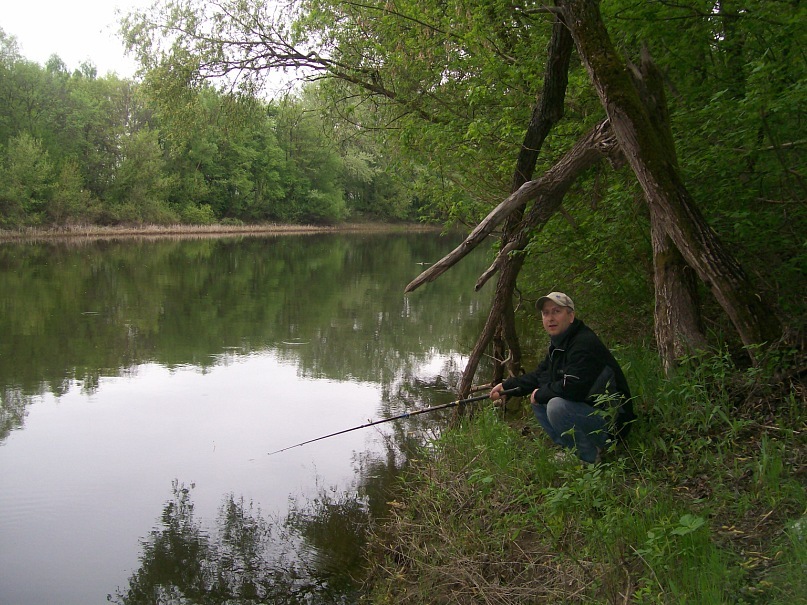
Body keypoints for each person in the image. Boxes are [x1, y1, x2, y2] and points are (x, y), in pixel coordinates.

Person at [490, 292, 634, 463]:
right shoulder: (560, 343)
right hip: (591, 409)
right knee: (540, 399)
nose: (550, 318)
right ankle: (574, 449)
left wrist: (540, 394)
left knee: (555, 405)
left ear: (570, 316)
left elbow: (573, 389)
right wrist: (507, 387)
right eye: (546, 313)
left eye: (556, 311)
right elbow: (540, 375)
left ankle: (589, 458)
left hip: (614, 422)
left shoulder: (583, 343)